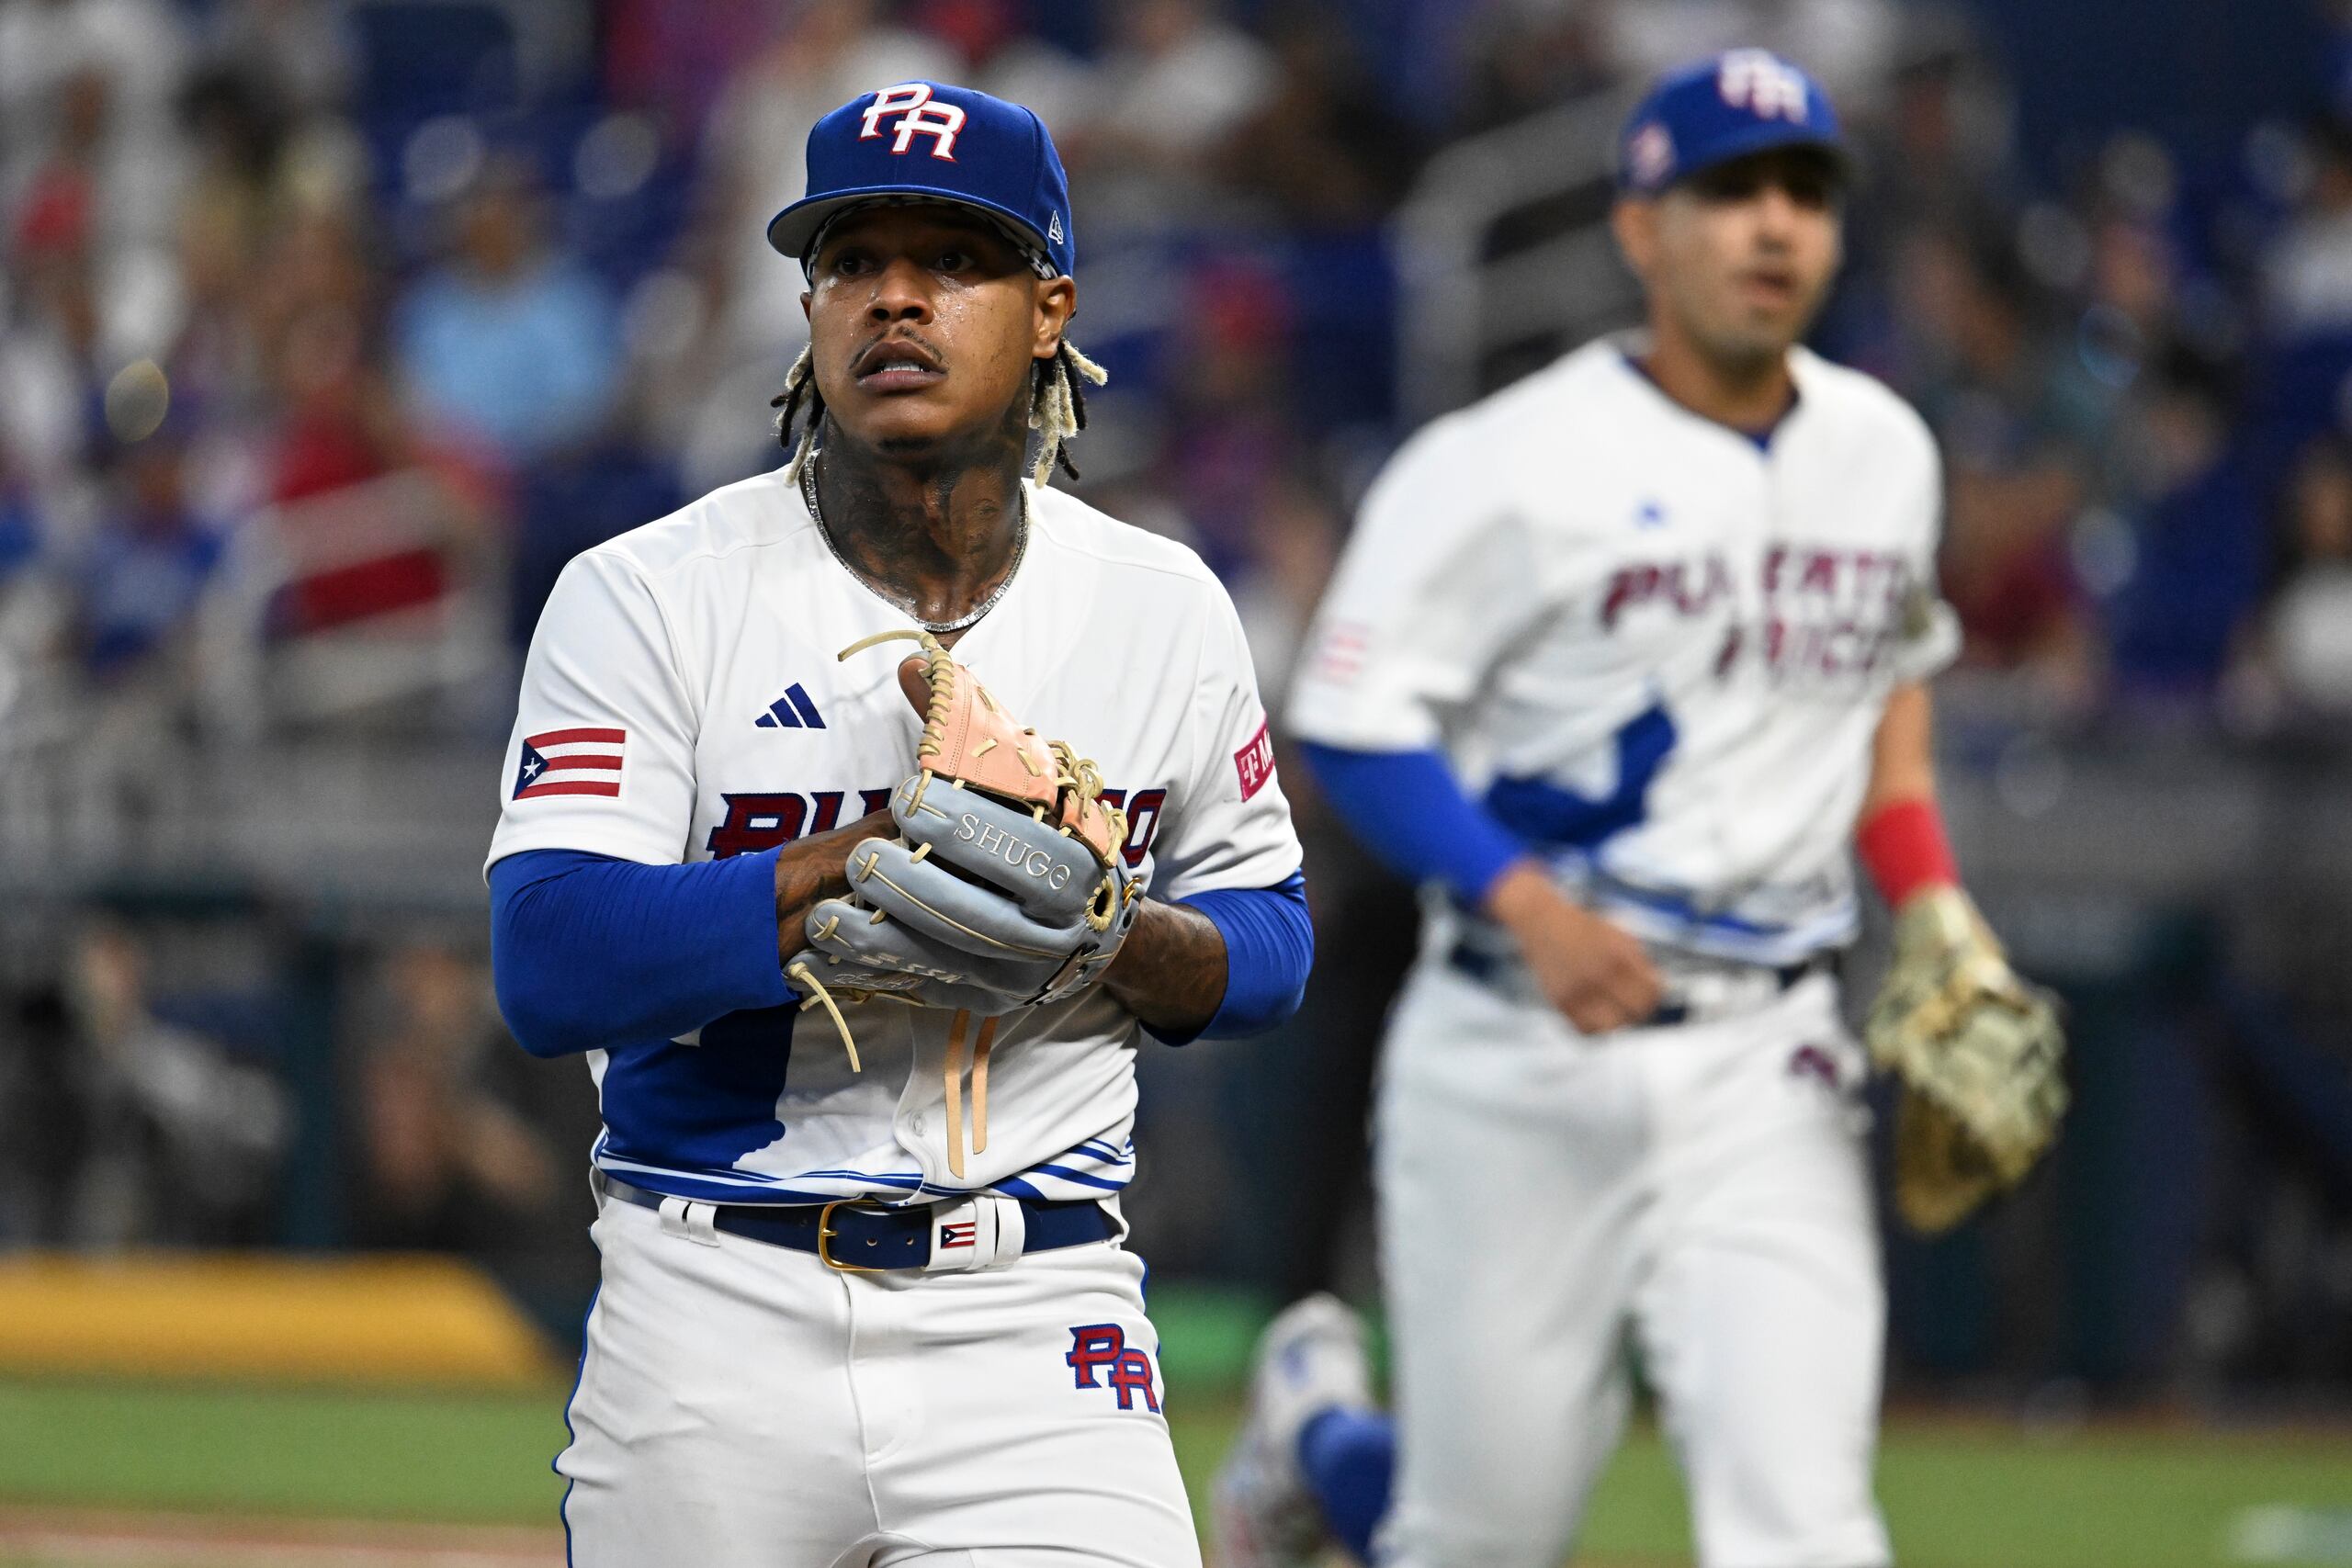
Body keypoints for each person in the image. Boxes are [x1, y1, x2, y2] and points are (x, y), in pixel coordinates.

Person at [1217, 50, 2048, 1568]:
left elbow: (1889, 706)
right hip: (1514, 1050)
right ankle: (1316, 1438)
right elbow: (1352, 719)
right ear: (1638, 229)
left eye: (1803, 191)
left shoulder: (1883, 451)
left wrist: (1934, 904)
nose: (1773, 224)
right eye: (1728, 191)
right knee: (1472, 1538)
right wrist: (1526, 905)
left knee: (1806, 1527)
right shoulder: (1503, 462)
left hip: (1768, 1062)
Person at [484, 82, 1310, 1567]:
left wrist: (1118, 932)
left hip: (1036, 1308)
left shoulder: (1161, 604)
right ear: (808, 308)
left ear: (1051, 307)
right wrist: (845, 867)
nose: (897, 299)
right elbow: (547, 960)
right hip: (714, 1301)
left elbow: (1272, 946)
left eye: (955, 259)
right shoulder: (650, 590)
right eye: (854, 260)